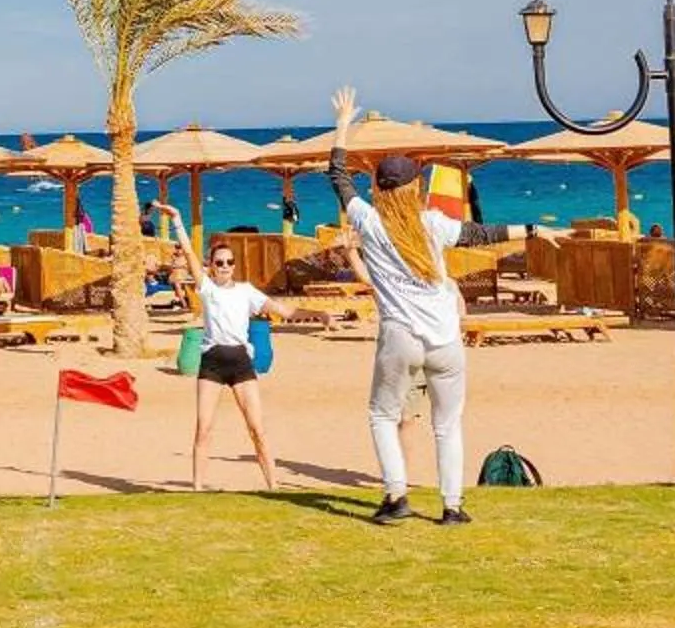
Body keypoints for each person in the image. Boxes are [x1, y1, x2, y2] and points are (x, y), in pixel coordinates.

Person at [323, 87, 470, 527]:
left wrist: (344, 124)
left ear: (379, 189)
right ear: (415, 187)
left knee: (382, 415)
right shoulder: (433, 224)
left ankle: (397, 496)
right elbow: (486, 233)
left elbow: (337, 176)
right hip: (446, 341)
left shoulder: (369, 221)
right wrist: (535, 227)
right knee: (447, 425)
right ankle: (452, 506)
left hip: (400, 338)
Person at [189, 239, 305, 491]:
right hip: (212, 363)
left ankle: (273, 485)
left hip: (241, 362)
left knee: (257, 429)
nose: (225, 266)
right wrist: (176, 220)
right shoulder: (207, 288)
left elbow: (281, 311)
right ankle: (197, 488)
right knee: (204, 428)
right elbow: (189, 253)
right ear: (210, 265)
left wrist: (317, 314)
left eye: (230, 262)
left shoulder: (246, 291)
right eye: (219, 262)